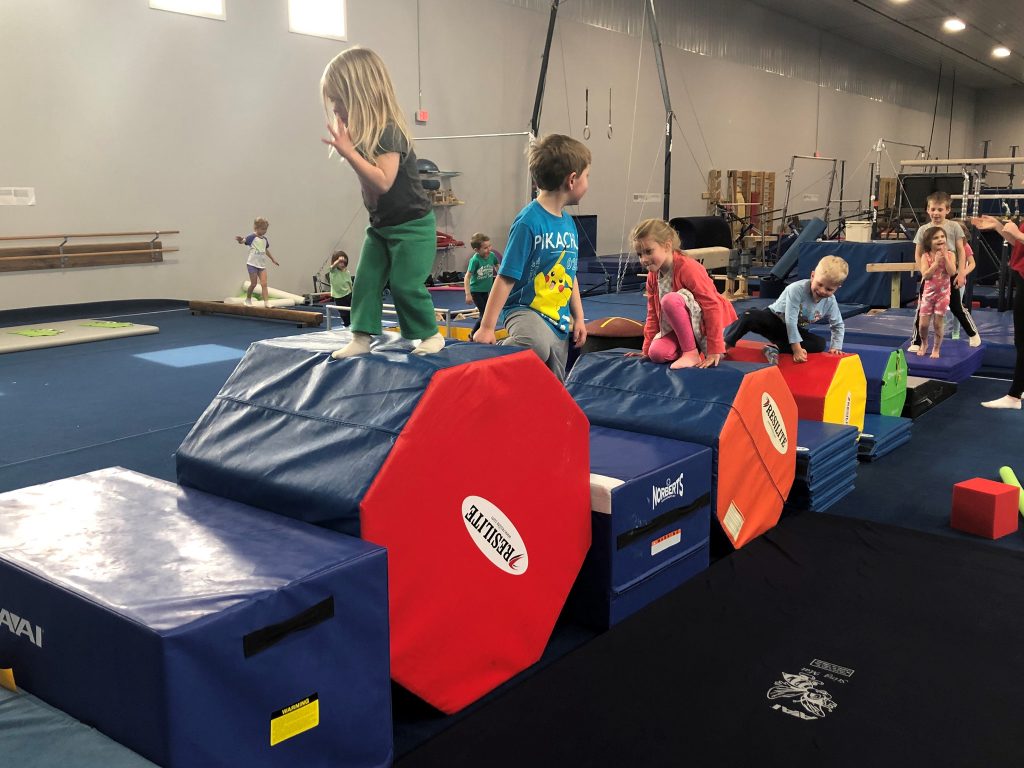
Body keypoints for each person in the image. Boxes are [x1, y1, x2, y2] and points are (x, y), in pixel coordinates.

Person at [320, 47, 444, 358]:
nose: (335, 109)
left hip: (413, 227)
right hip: (381, 227)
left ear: (359, 96)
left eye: (339, 101)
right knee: (365, 281)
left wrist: (350, 154)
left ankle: (430, 334)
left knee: (404, 284)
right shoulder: (362, 137)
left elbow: (383, 181)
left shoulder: (389, 130)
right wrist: (352, 151)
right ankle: (361, 338)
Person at [472, 134, 589, 382]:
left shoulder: (568, 224)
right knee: (534, 344)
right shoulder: (529, 222)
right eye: (587, 176)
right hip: (526, 310)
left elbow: (570, 274)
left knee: (553, 383)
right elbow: (505, 278)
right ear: (572, 180)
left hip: (558, 318)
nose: (588, 183)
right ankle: (496, 354)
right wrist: (487, 327)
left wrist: (579, 316)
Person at [629, 218, 736, 369]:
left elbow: (712, 305)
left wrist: (714, 349)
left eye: (648, 252)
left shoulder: (688, 268)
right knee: (657, 354)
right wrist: (646, 349)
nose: (644, 259)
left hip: (709, 328)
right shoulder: (653, 276)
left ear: (667, 246)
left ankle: (691, 353)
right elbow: (653, 314)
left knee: (670, 301)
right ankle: (688, 348)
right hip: (683, 330)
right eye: (639, 254)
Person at [724, 255, 848, 364]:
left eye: (829, 289)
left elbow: (837, 325)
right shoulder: (797, 289)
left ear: (837, 288)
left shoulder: (830, 302)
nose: (822, 291)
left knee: (819, 343)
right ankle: (725, 345)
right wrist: (796, 349)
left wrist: (835, 347)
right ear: (812, 275)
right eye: (820, 284)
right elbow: (790, 320)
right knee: (748, 316)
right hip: (773, 320)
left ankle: (775, 348)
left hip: (789, 332)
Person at [909, 191, 980, 349]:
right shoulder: (923, 230)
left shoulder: (954, 227)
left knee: (956, 306)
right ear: (928, 210)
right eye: (933, 209)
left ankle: (973, 334)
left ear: (947, 210)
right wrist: (923, 271)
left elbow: (961, 251)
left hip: (949, 272)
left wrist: (961, 273)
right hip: (930, 274)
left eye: (940, 209)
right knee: (922, 308)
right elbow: (918, 253)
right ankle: (916, 341)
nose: (936, 213)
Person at [972, 214, 1024, 410]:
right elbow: (1018, 243)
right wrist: (998, 228)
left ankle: (1014, 396)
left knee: (1022, 340)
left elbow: (1019, 237)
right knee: (1020, 341)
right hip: (1021, 276)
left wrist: (1018, 234)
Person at [914, 226, 956, 359]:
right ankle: (924, 343)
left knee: (938, 324)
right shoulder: (925, 256)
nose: (940, 240)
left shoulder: (951, 255)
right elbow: (926, 275)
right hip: (928, 294)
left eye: (942, 237)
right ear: (929, 241)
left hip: (943, 295)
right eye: (936, 238)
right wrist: (936, 263)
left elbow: (952, 272)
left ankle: (936, 348)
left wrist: (945, 258)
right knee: (923, 325)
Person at [235, 217, 279, 307]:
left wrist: (272, 259)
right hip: (252, 264)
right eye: (263, 229)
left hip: (261, 265)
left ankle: (266, 302)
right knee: (254, 284)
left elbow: (265, 250)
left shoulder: (265, 239)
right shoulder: (252, 237)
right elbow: (243, 241)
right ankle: (248, 299)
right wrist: (240, 240)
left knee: (264, 284)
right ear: (256, 228)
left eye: (266, 229)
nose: (264, 231)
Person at [464, 233, 499, 338]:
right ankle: (473, 334)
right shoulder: (475, 260)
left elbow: (497, 266)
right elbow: (467, 277)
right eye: (485, 248)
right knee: (484, 314)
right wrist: (468, 294)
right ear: (476, 250)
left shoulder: (492, 256)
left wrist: (501, 278)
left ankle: (479, 333)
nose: (489, 249)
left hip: (486, 290)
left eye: (490, 246)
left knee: (486, 314)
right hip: (476, 291)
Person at [329, 249, 353, 326]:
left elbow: (349, 283)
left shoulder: (347, 272)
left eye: (344, 262)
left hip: (348, 293)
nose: (342, 264)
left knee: (351, 310)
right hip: (338, 296)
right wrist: (338, 261)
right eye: (340, 263)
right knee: (343, 312)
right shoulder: (333, 271)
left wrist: (353, 292)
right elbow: (333, 267)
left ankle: (353, 323)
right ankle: (347, 323)